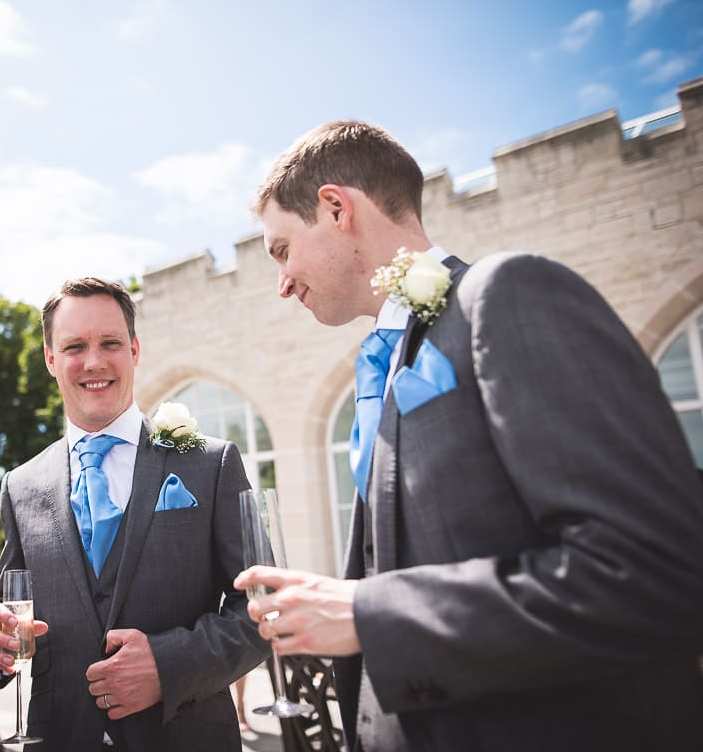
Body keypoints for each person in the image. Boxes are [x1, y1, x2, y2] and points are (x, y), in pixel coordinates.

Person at [236, 120, 703, 751]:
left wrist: (368, 613)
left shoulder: (508, 295)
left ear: (337, 208)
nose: (283, 281)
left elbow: (651, 571)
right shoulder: (388, 359)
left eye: (283, 250)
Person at [0, 276, 268, 752]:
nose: (94, 362)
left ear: (134, 349)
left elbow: (260, 610)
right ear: (50, 359)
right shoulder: (20, 485)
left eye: (110, 342)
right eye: (74, 346)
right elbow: (12, 615)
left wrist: (168, 665)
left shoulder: (211, 464)